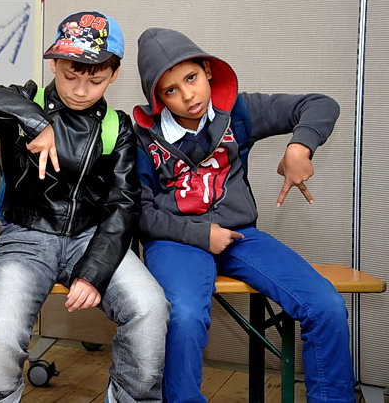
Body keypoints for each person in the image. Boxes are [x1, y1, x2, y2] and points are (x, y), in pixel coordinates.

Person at [0, 11, 170, 403]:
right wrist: (34, 122)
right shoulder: (25, 102)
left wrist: (92, 273)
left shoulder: (117, 127)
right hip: (25, 237)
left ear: (114, 75)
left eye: (96, 80)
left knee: (150, 309)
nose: (81, 90)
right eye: (71, 76)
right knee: (0, 335)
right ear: (54, 63)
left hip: (93, 239)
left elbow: (123, 206)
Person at [133, 27, 353, 402]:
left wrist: (300, 147)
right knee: (184, 316)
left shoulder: (237, 113)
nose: (188, 95)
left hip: (240, 237)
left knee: (326, 305)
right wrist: (201, 235)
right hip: (175, 241)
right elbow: (139, 213)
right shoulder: (141, 136)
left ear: (207, 71)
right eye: (171, 90)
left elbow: (320, 104)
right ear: (158, 98)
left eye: (192, 78)